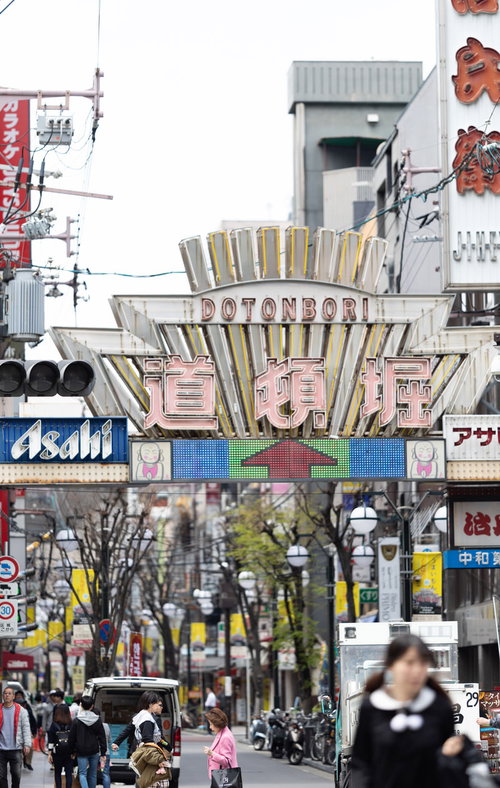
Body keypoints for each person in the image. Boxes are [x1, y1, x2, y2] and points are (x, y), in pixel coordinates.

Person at [351, 634, 461, 788]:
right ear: (391, 665)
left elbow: (447, 765)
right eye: (409, 663)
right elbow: (360, 762)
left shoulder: (440, 707)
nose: (417, 670)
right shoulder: (372, 707)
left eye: (423, 663)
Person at [68, 696, 106, 788]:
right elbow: (102, 737)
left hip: (81, 751)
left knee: (82, 774)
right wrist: (103, 752)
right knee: (93, 774)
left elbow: (71, 738)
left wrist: (72, 751)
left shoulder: (76, 721)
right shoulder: (97, 720)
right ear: (92, 706)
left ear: (81, 705)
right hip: (94, 750)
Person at [0, 687, 32, 788]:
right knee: (1, 777)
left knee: (16, 775)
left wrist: (27, 744)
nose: (7, 695)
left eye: (9, 693)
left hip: (16, 748)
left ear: (13, 696)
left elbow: (26, 728)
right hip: (1, 749)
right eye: (5, 693)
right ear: (2, 696)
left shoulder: (21, 711)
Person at [202, 708, 238, 780]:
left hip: (223, 778)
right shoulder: (222, 733)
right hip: (221, 777)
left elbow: (226, 761)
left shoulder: (225, 737)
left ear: (217, 723)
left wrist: (211, 753)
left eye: (211, 724)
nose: (210, 727)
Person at [47, 703, 74, 788]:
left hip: (57, 752)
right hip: (69, 752)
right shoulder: (72, 724)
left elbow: (51, 740)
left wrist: (49, 753)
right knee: (69, 773)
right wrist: (74, 752)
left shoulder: (54, 725)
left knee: (57, 773)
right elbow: (74, 739)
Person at [12, 693, 35, 772]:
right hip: (15, 734)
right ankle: (19, 763)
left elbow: (33, 722)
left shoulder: (27, 711)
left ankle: (28, 762)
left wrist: (33, 732)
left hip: (27, 732)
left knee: (30, 747)